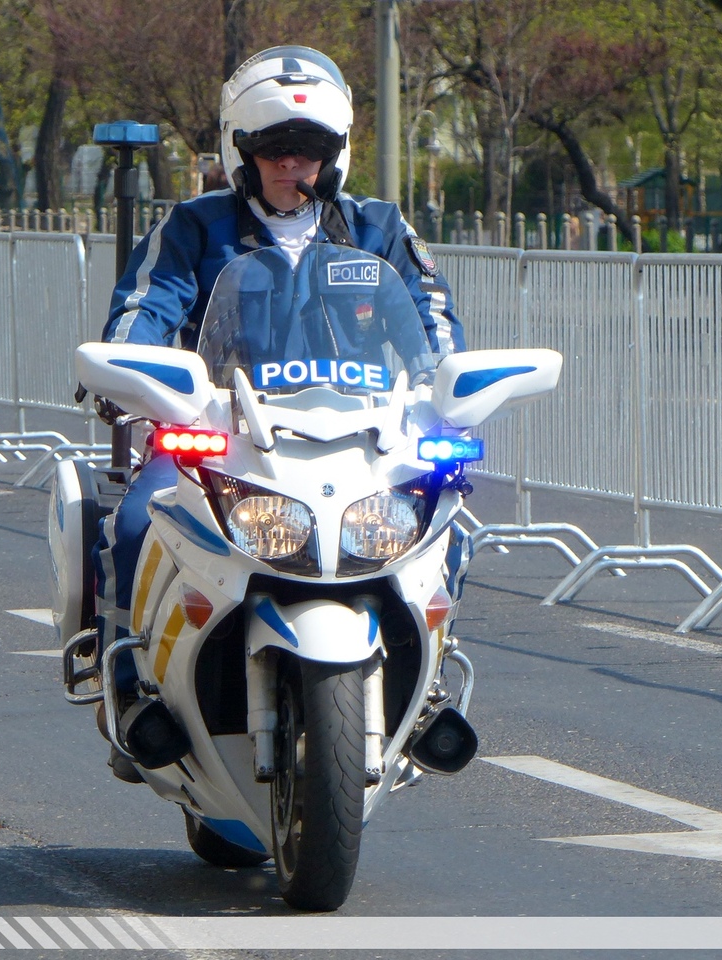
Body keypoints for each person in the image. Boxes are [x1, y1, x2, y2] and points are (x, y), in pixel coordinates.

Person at [92, 45, 464, 780]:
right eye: (275, 151)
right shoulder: (195, 229)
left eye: (311, 152)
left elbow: (433, 318)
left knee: (448, 513)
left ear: (338, 154)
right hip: (220, 429)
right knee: (135, 519)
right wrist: (131, 375)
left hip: (361, 434)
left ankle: (428, 685)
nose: (294, 167)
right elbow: (141, 310)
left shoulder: (378, 229)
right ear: (242, 152)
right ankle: (131, 686)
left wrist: (446, 389)